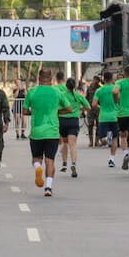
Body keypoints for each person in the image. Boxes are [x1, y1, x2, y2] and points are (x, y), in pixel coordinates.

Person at [24, 68, 72, 197]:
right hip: (52, 132)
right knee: (50, 161)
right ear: (51, 79)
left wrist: (33, 111)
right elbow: (69, 108)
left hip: (36, 132)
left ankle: (38, 167)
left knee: (36, 159)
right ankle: (48, 188)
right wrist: (57, 112)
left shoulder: (32, 92)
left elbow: (24, 111)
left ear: (39, 78)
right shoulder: (57, 92)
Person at [57, 78, 90, 178]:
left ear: (66, 86)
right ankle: (73, 164)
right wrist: (80, 109)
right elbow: (88, 107)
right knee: (73, 144)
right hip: (73, 121)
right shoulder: (78, 95)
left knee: (64, 143)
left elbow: (57, 108)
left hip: (62, 121)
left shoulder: (62, 95)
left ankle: (64, 163)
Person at [91, 71, 120, 167]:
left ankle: (107, 139)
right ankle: (111, 159)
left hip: (103, 117)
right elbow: (119, 101)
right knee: (115, 138)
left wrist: (100, 107)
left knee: (102, 140)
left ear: (103, 79)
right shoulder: (115, 89)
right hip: (114, 116)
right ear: (112, 79)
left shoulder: (99, 90)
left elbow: (94, 104)